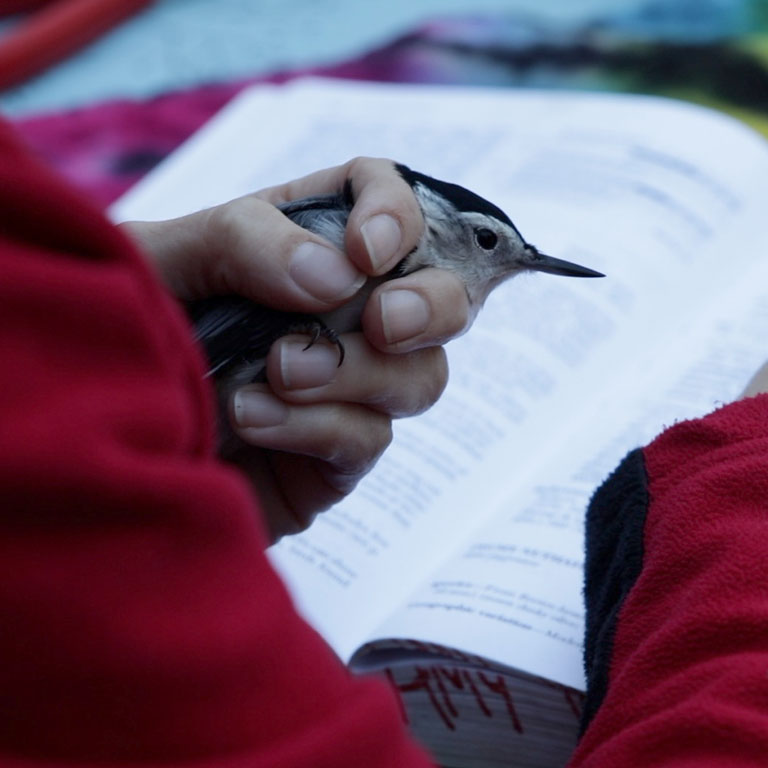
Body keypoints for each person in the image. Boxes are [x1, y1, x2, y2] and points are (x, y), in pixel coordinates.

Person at [3, 107, 768, 768]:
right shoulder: (356, 255)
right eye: (489, 244)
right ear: (438, 228)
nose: (517, 263)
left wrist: (102, 380)